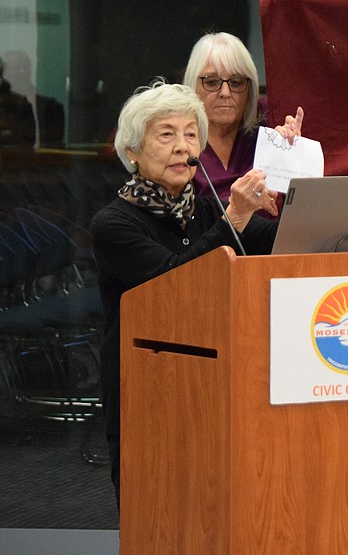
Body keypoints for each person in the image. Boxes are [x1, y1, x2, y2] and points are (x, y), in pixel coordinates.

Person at [91, 80, 281, 503]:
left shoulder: (209, 207)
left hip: (215, 378)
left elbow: (282, 243)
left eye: (191, 134)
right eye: (166, 134)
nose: (183, 146)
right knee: (155, 504)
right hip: (146, 387)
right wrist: (234, 216)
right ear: (133, 152)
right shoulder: (114, 224)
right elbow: (175, 283)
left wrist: (293, 168)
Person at [182, 32, 304, 205]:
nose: (225, 93)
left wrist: (291, 155)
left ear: (250, 89)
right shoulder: (179, 142)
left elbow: (299, 206)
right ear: (192, 86)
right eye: (211, 82)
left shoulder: (271, 125)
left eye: (236, 82)